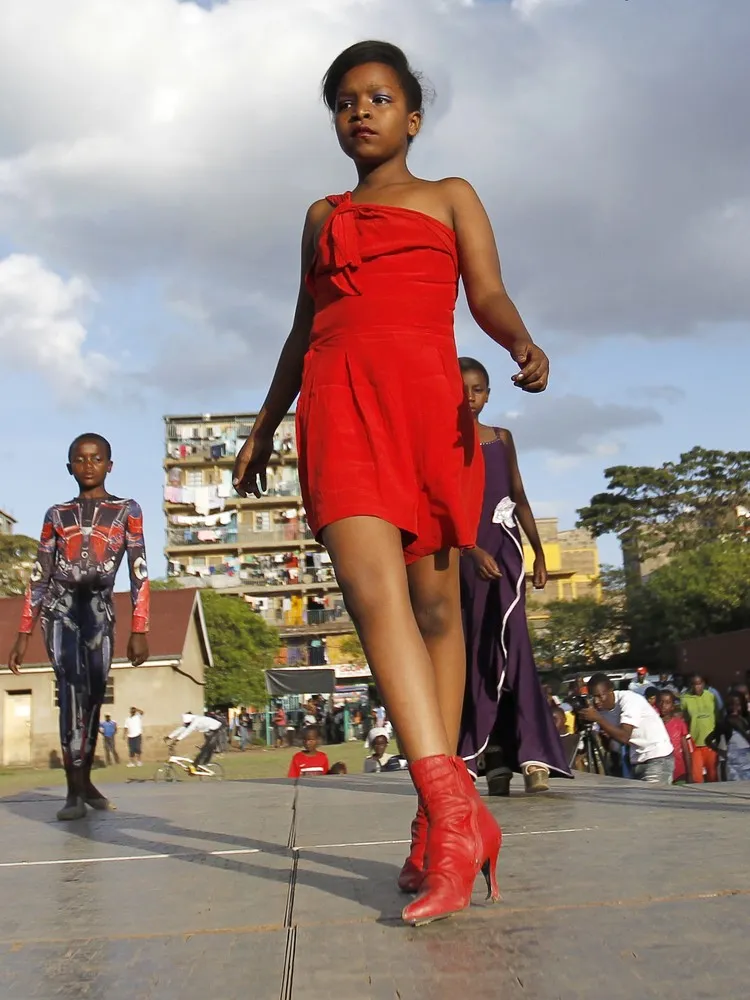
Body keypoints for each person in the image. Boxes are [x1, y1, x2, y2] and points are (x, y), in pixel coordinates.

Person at [232, 41, 550, 925]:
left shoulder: (452, 196)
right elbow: (304, 328)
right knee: (376, 600)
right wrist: (264, 423)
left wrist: (517, 340)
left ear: (412, 116)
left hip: (426, 405)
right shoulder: (320, 215)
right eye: (343, 101)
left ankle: (432, 819)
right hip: (338, 401)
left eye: (376, 98)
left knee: (438, 607)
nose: (358, 111)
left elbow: (485, 292)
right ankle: (457, 816)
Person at [6, 434, 149, 820]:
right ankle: (72, 792)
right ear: (69, 466)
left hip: (99, 611)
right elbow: (39, 574)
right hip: (61, 611)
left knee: (93, 697)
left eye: (96, 458)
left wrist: (141, 627)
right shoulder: (56, 514)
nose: (88, 466)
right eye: (80, 460)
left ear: (109, 465)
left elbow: (139, 571)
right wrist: (23, 633)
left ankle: (85, 781)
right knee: (70, 692)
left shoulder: (127, 510)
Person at [456, 358, 572, 797]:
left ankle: (534, 754)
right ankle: (490, 756)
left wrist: (538, 551)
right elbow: (439, 503)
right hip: (465, 558)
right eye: (463, 388)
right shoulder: (440, 439)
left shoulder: (503, 438)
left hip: (506, 553)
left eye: (479, 389)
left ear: (489, 394)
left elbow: (518, 497)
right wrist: (469, 549)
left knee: (515, 647)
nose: (470, 396)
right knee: (475, 654)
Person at [579, 674, 674, 783]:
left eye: (600, 696)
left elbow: (624, 736)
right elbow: (612, 745)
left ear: (611, 691)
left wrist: (599, 719)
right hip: (636, 760)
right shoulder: (600, 710)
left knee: (652, 798)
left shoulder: (629, 700)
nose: (596, 701)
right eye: (593, 697)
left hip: (657, 757)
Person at [681, 674, 720, 783]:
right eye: (694, 684)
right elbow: (683, 719)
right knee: (697, 778)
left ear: (704, 684)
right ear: (690, 685)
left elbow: (718, 716)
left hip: (711, 744)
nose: (697, 687)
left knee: (713, 777)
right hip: (695, 744)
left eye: (699, 684)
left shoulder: (711, 696)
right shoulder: (684, 699)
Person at [707, 692, 750, 782]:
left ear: (743, 705)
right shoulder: (724, 723)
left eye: (738, 705)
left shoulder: (746, 720)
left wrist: (740, 729)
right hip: (733, 769)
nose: (734, 708)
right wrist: (720, 752)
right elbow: (708, 740)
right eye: (730, 705)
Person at [657, 690, 692, 784]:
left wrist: (689, 773)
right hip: (660, 772)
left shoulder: (679, 724)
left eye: (667, 703)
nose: (663, 705)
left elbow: (686, 751)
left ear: (672, 706)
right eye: (661, 702)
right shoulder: (653, 723)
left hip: (679, 771)